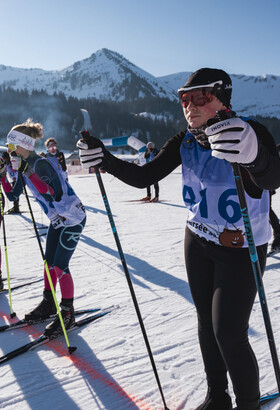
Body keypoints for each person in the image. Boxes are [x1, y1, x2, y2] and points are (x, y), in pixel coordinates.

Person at [76, 68, 280, 410]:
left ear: (222, 96)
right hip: (197, 240)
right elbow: (145, 176)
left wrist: (255, 155)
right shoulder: (184, 140)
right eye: (184, 98)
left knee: (229, 333)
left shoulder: (249, 132)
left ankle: (248, 404)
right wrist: (105, 159)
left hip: (241, 248)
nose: (190, 105)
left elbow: (272, 178)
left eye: (201, 97)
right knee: (205, 323)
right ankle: (217, 397)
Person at [0, 119, 86, 337]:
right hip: (58, 219)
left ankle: (67, 312)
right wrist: (3, 176)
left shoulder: (42, 164)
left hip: (72, 218)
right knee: (49, 263)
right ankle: (49, 303)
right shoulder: (24, 166)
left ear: (22, 145)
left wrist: (28, 171)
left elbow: (53, 193)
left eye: (11, 146)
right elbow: (12, 195)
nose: (9, 150)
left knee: (60, 266)